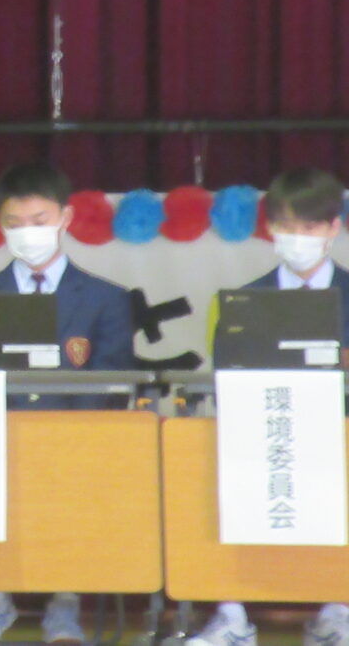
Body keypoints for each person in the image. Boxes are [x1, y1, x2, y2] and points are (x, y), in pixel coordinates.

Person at [0, 162, 134, 646]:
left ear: (65, 218)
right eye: (14, 223)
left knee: (81, 481)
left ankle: (65, 602)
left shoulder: (105, 298)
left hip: (77, 439)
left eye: (39, 220)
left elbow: (114, 378)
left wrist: (65, 434)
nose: (27, 232)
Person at [185, 169, 349, 646]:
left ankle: (338, 609)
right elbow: (227, 377)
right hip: (263, 434)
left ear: (333, 228)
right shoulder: (244, 301)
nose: (297, 239)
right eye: (287, 227)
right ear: (271, 229)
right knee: (205, 470)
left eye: (309, 227)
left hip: (339, 434)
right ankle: (230, 613)